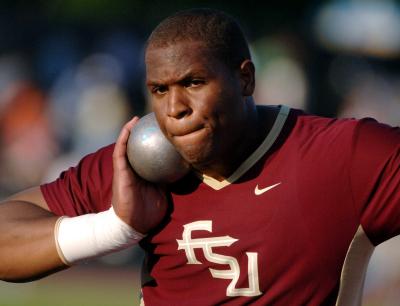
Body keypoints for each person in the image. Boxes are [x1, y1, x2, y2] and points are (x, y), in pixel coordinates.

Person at [0, 8, 399, 306]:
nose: (175, 107)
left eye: (193, 83)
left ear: (246, 78)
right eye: (159, 90)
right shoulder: (139, 163)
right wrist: (117, 227)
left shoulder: (340, 155)